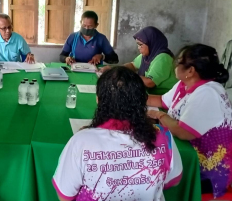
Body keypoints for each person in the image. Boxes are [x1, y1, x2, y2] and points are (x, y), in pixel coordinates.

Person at [53, 66, 182, 201]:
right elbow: (173, 180)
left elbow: (65, 196)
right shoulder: (163, 136)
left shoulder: (81, 141)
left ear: (98, 100)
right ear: (142, 100)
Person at [147, 44, 232, 198]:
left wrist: (160, 116)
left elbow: (183, 132)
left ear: (191, 71)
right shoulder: (184, 84)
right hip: (188, 152)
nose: (175, 65)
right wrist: (130, 95)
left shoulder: (208, 92)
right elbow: (160, 101)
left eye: (179, 62)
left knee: (152, 168)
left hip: (206, 170)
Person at [100, 26, 177, 95]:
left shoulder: (163, 58)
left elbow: (149, 82)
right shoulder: (148, 55)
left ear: (151, 43)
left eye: (141, 45)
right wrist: (114, 69)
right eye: (138, 45)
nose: (138, 48)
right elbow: (133, 65)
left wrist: (124, 75)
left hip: (163, 99)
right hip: (149, 94)